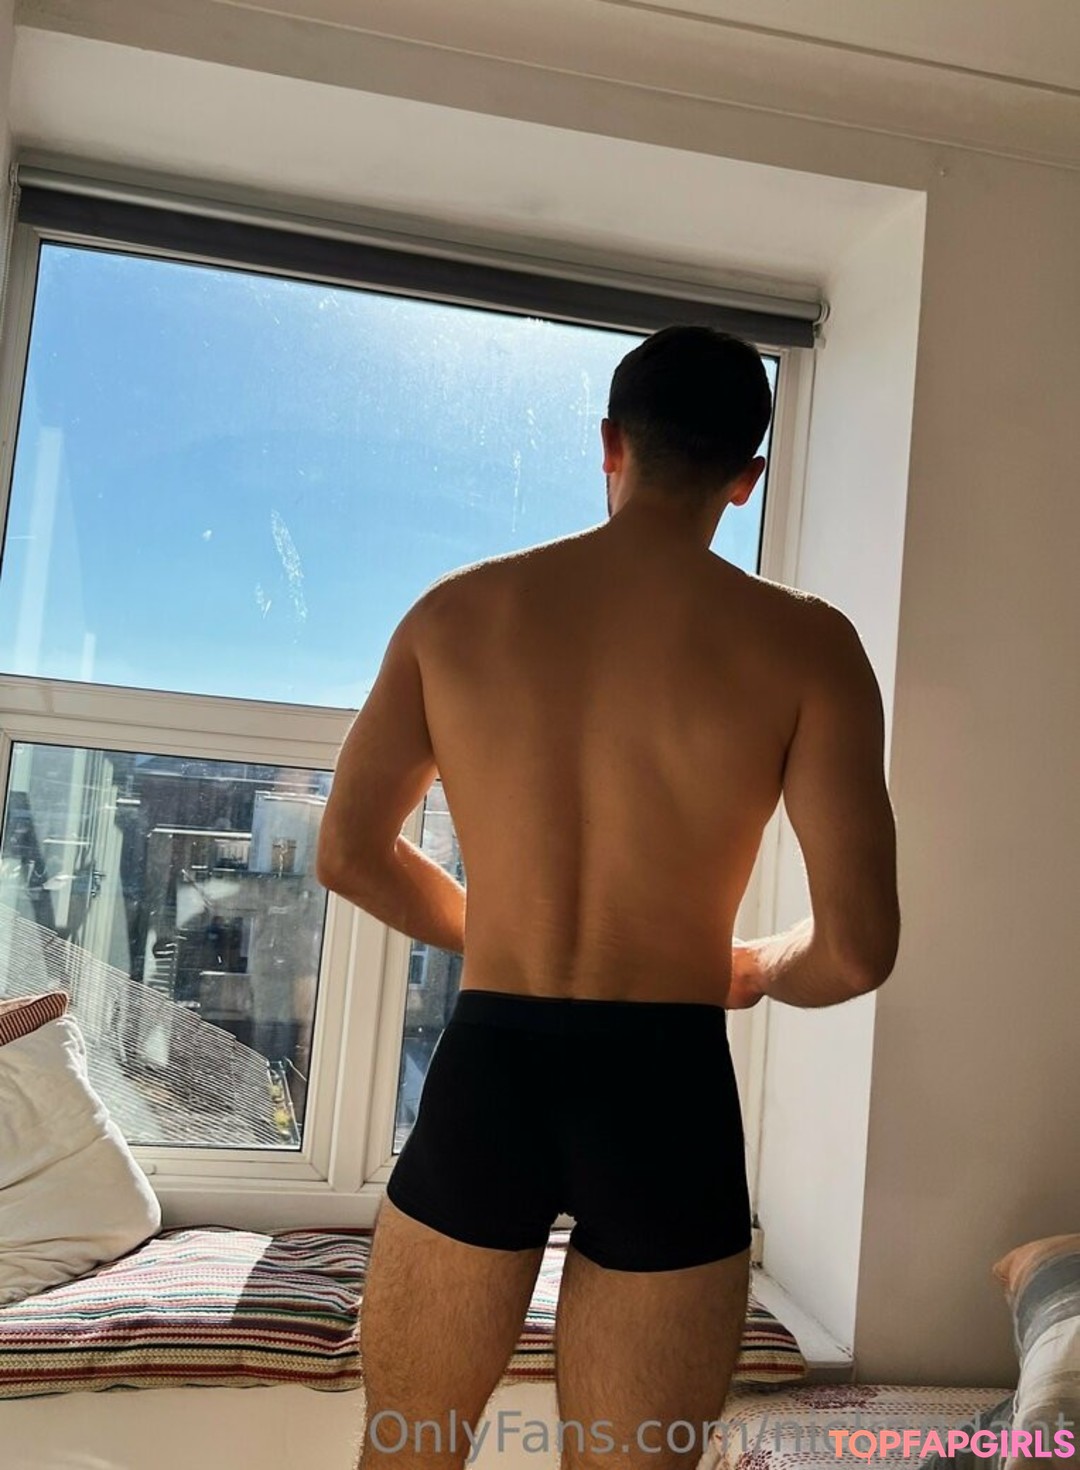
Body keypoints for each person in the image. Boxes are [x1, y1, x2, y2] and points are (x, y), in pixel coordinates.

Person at [316, 324, 900, 1470]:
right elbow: (858, 951)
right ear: (746, 476)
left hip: (492, 1067)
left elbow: (348, 854)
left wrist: (501, 933)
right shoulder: (808, 645)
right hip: (665, 1087)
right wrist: (752, 967)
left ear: (610, 446)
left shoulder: (457, 613)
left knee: (409, 1452)